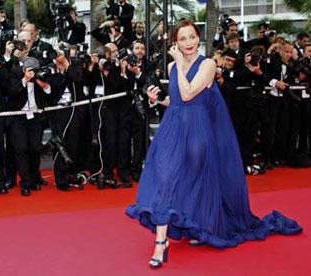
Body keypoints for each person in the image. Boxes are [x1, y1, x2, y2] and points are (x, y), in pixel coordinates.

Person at [125, 20, 302, 270]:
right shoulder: (173, 65)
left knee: (196, 182)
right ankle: (160, 241)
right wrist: (157, 100)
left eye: (191, 37)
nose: (187, 43)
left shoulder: (208, 64)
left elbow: (188, 95)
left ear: (199, 38)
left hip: (198, 131)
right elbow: (177, 100)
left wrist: (178, 66)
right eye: (182, 39)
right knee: (164, 181)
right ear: (175, 41)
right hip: (173, 130)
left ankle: (198, 227)